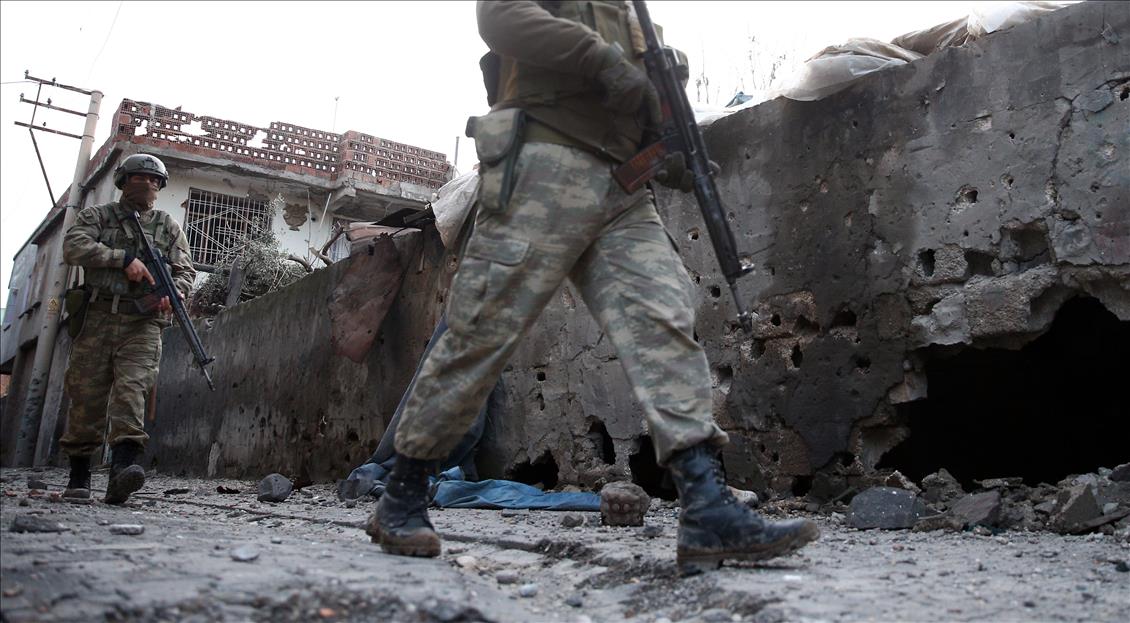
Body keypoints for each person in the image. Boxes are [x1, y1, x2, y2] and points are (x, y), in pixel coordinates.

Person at [368, 0, 819, 571]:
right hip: (542, 162)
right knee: (481, 330)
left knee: (664, 315)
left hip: (623, 191)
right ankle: (403, 493)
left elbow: (646, 106)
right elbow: (500, 18)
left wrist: (672, 142)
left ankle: (706, 505)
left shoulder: (635, 17)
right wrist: (605, 63)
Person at [59, 153, 196, 505]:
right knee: (86, 397)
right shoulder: (98, 217)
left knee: (133, 392)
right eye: (140, 178)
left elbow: (185, 272)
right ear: (123, 181)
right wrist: (121, 260)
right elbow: (74, 246)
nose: (148, 185)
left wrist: (174, 293)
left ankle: (122, 472)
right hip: (98, 317)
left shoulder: (168, 226)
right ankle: (79, 475)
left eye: (154, 181)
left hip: (143, 324)